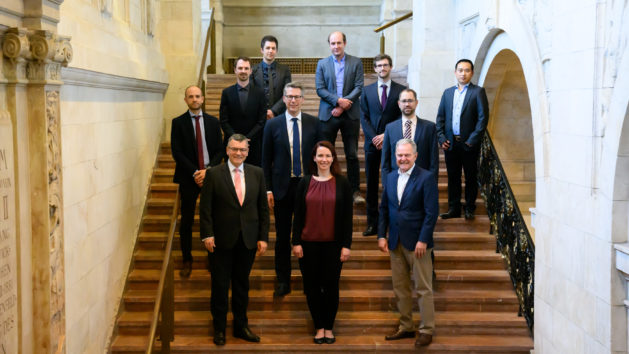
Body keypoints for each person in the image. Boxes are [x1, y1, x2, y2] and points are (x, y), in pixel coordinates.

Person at [199, 134, 269, 346]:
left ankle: (241, 326)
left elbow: (263, 209)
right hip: (220, 240)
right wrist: (207, 234)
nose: (238, 153)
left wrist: (263, 237)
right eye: (234, 149)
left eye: (242, 150)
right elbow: (205, 208)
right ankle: (219, 328)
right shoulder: (214, 174)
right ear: (227, 150)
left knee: (241, 285)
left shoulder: (257, 173)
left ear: (247, 152)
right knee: (219, 286)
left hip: (247, 240)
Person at [378, 138, 438, 348]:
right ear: (395, 157)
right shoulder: (391, 177)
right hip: (395, 241)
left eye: (406, 155)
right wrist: (381, 235)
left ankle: (426, 329)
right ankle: (406, 326)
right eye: (399, 155)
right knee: (400, 288)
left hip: (418, 244)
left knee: (423, 289)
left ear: (415, 156)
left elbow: (431, 213)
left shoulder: (426, 177)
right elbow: (384, 208)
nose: (402, 159)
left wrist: (423, 239)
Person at [262, 82, 320, 297]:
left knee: (307, 236)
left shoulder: (314, 124)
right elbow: (265, 160)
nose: (293, 100)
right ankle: (283, 280)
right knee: (283, 237)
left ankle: (308, 279)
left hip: (307, 188)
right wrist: (267, 189)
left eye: (297, 96)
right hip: (282, 189)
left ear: (303, 99)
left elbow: (320, 157)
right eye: (289, 97)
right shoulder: (273, 125)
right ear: (284, 99)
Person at [292, 141, 353, 344]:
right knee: (311, 287)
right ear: (314, 158)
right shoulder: (304, 182)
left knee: (331, 287)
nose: (324, 159)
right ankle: (318, 326)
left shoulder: (342, 183)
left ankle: (329, 326)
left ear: (333, 158)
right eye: (320, 156)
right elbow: (298, 215)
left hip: (334, 246)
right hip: (308, 245)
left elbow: (347, 218)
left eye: (328, 156)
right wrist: (296, 242)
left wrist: (346, 245)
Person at [170, 85, 224, 278]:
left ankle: (212, 256)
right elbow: (177, 152)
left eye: (197, 96)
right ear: (185, 100)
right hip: (188, 177)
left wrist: (208, 172)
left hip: (211, 176)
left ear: (202, 99)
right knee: (186, 220)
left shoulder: (212, 122)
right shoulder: (178, 123)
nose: (194, 99)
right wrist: (195, 172)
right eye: (190, 97)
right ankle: (187, 258)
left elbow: (219, 149)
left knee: (213, 217)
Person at [435, 59, 489, 220]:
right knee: (453, 177)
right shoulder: (447, 93)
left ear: (471, 73)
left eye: (466, 70)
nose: (463, 73)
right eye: (460, 70)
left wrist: (473, 139)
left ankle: (470, 208)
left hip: (469, 144)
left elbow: (482, 118)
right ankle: (454, 208)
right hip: (451, 143)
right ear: (455, 72)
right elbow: (440, 118)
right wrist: (441, 137)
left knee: (471, 176)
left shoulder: (478, 92)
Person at [315, 31, 365, 204]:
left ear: (345, 43)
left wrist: (343, 106)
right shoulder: (322, 64)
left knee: (351, 154)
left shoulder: (356, 62)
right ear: (329, 45)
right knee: (324, 153)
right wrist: (337, 102)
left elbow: (359, 86)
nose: (336, 46)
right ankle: (326, 187)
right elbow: (320, 89)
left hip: (350, 114)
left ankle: (355, 191)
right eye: (333, 43)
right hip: (328, 114)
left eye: (339, 43)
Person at [360, 53, 405, 236]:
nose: (382, 68)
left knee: (392, 183)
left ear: (391, 67)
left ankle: (392, 221)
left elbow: (402, 115)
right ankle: (372, 222)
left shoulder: (401, 91)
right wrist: (374, 138)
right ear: (374, 68)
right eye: (378, 66)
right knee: (371, 184)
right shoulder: (367, 90)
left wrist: (385, 135)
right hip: (372, 145)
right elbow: (363, 116)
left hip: (393, 143)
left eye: (385, 65)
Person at [220, 56, 267, 166]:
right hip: (232, 145)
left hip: (253, 146)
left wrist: (247, 139)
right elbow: (223, 120)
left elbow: (261, 120)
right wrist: (236, 139)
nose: (243, 71)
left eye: (246, 68)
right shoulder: (226, 93)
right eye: (240, 68)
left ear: (251, 71)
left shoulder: (260, 93)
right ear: (235, 70)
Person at [381, 88, 439, 178]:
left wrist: (431, 184)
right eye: (404, 101)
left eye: (410, 101)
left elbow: (434, 161)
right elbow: (385, 162)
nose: (407, 104)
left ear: (416, 103)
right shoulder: (390, 128)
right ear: (399, 104)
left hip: (421, 180)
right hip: (396, 180)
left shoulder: (429, 128)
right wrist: (387, 185)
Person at [251, 35, 292, 119]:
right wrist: (263, 112)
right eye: (268, 48)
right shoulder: (253, 70)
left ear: (276, 50)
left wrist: (273, 111)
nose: (270, 51)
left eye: (273, 48)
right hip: (258, 115)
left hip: (279, 115)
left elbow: (287, 93)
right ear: (262, 50)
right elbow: (251, 94)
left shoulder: (285, 70)